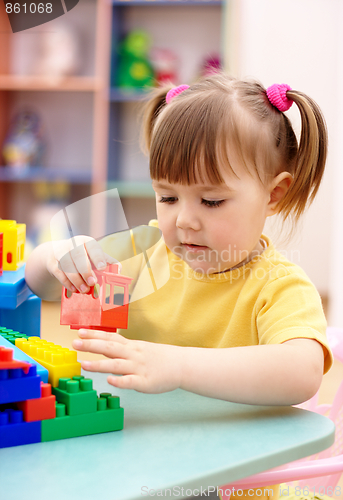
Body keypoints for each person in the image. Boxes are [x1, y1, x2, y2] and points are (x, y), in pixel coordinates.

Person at [25, 73, 333, 500]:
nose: (184, 220)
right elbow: (38, 285)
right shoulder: (144, 251)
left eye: (211, 201)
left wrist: (179, 366)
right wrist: (56, 256)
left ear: (274, 193)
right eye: (167, 197)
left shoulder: (277, 285)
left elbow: (301, 372)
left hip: (231, 485)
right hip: (135, 471)